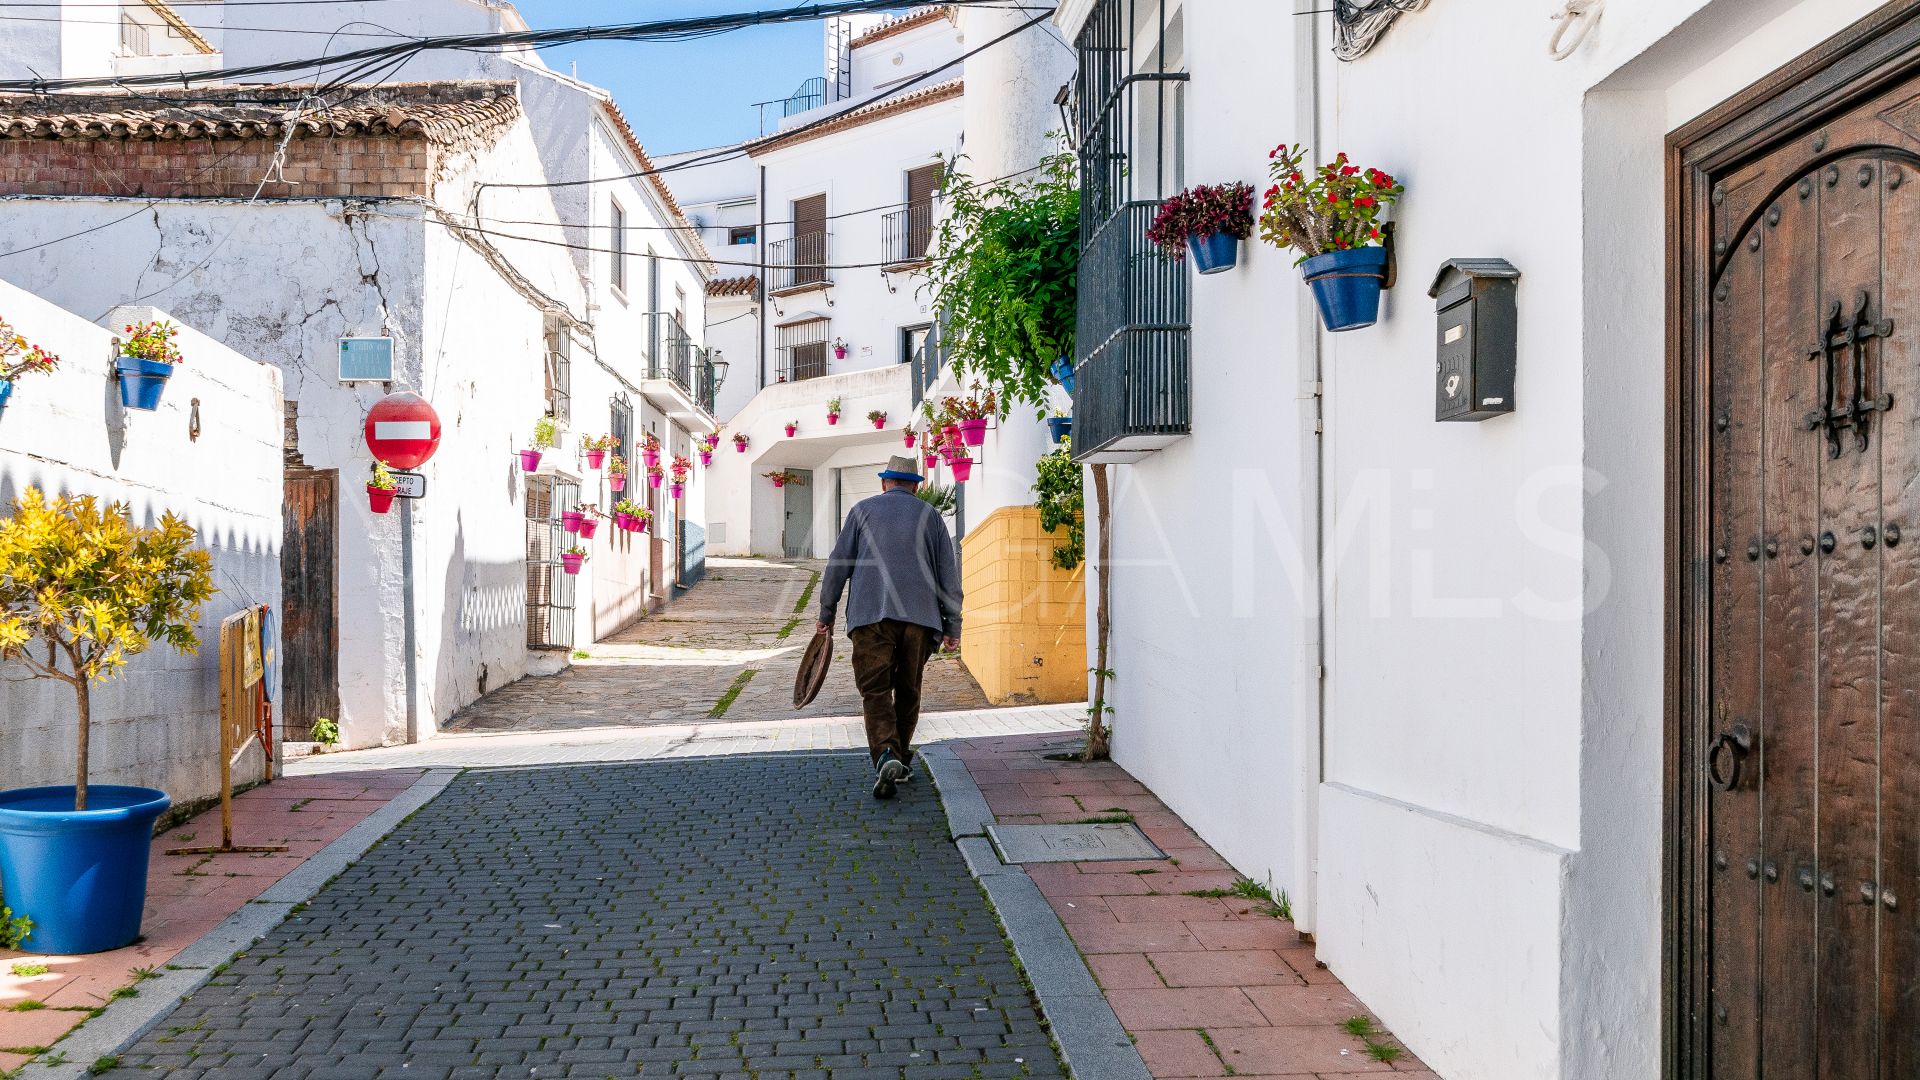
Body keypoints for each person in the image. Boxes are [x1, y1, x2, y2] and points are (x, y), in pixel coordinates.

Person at [816, 454, 962, 798]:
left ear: (885, 483)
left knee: (876, 689)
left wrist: (826, 614)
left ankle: (885, 754)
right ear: (915, 486)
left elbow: (838, 566)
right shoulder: (932, 517)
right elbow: (948, 578)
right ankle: (901, 759)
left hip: (870, 617)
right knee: (909, 689)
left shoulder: (861, 512)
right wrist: (953, 626)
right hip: (920, 620)